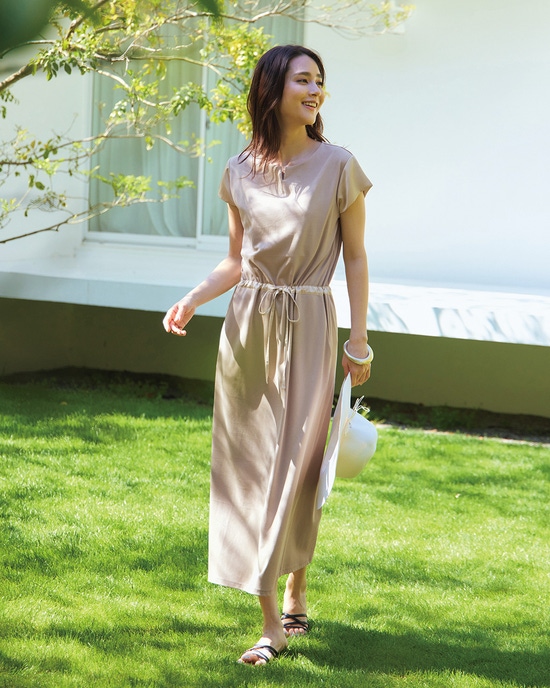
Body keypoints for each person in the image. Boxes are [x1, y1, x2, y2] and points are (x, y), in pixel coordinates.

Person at [163, 44, 372, 666]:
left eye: (320, 81)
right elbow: (236, 259)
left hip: (310, 324)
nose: (315, 90)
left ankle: (295, 584)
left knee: (300, 467)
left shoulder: (339, 166)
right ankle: (271, 623)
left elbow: (356, 257)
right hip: (248, 328)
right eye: (303, 79)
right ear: (272, 89)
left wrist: (358, 339)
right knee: (252, 470)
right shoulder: (238, 171)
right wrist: (192, 298)